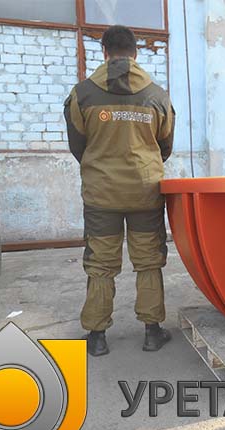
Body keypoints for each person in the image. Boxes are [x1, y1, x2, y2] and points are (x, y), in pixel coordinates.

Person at [64, 25, 175, 357]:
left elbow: (78, 145)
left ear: (104, 52)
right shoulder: (157, 96)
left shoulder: (82, 94)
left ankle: (97, 336)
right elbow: (165, 146)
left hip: (101, 195)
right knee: (149, 261)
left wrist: (100, 166)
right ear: (136, 52)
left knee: (100, 263)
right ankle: (152, 332)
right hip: (145, 192)